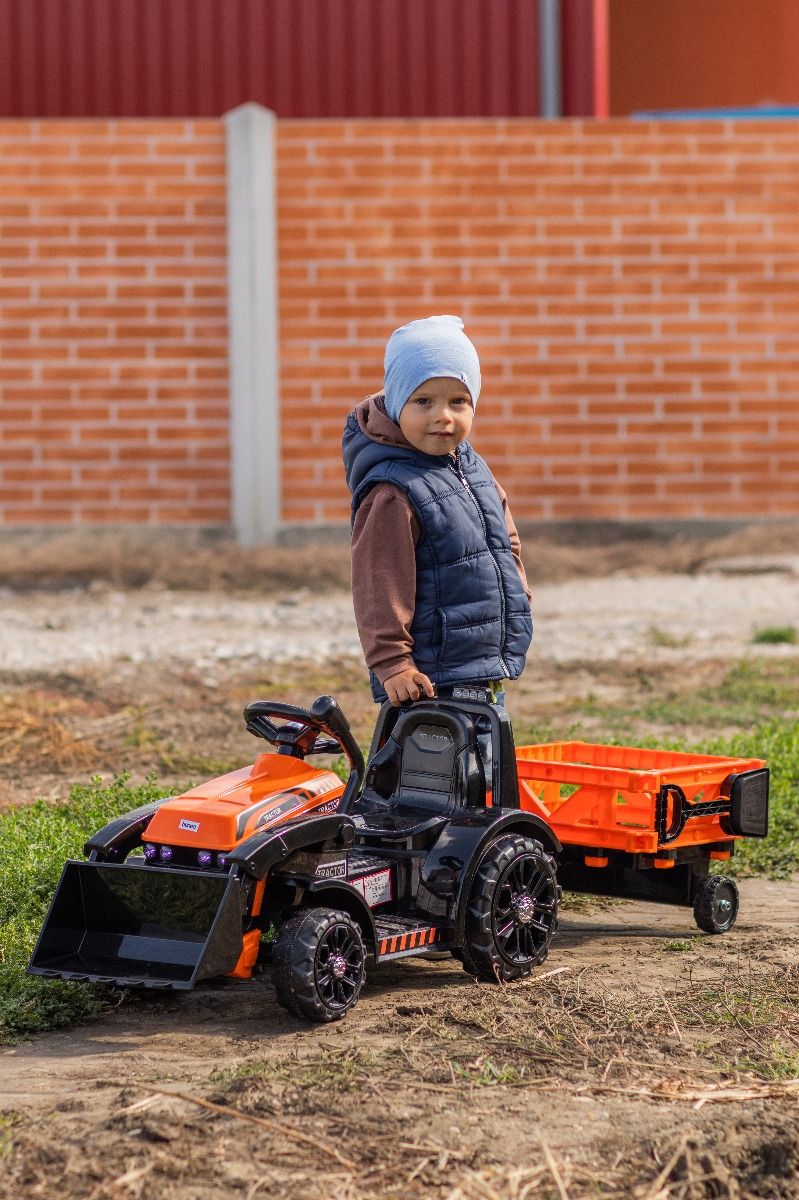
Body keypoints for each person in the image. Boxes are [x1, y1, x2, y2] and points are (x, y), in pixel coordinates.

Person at [342, 314, 532, 708]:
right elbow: (379, 583)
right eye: (423, 401)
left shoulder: (471, 467)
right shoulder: (393, 491)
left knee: (482, 765)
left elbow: (506, 539)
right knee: (431, 768)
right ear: (397, 404)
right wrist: (393, 664)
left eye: (457, 401)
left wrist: (518, 595)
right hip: (428, 678)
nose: (442, 415)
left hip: (479, 664)